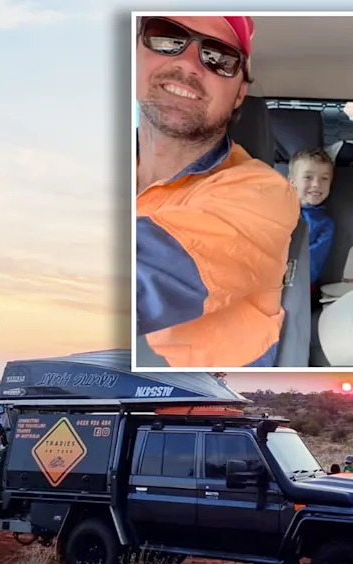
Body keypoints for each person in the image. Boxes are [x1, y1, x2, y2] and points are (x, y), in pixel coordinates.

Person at [135, 16, 299, 368]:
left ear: (239, 94)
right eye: (166, 38)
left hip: (203, 391)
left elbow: (147, 279)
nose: (189, 63)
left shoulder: (264, 193)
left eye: (219, 57)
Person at [287, 148, 335, 291]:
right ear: (292, 182)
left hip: (299, 287)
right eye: (308, 177)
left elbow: (312, 264)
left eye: (324, 178)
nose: (316, 184)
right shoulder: (276, 210)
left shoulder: (324, 224)